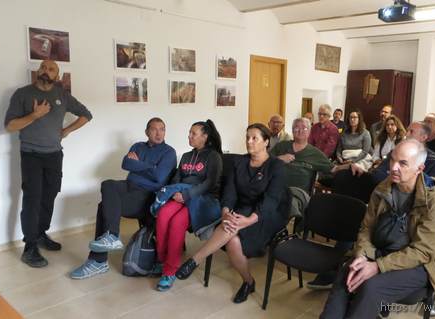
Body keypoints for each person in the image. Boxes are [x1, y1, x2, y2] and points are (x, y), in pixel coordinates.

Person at [320, 139, 435, 319]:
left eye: (403, 163)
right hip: (382, 250)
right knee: (348, 273)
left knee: (372, 286)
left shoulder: (434, 201)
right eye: (392, 160)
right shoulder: (383, 188)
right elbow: (366, 228)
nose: (393, 167)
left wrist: (378, 266)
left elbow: (424, 251)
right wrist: (362, 255)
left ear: (420, 169)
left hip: (422, 264)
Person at [175, 123, 289, 304]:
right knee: (233, 240)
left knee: (231, 230)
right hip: (243, 209)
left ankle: (195, 260)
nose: (249, 142)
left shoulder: (276, 166)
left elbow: (271, 201)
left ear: (266, 142)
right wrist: (226, 211)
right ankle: (248, 282)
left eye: (254, 138)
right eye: (247, 137)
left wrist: (249, 220)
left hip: (269, 214)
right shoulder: (240, 162)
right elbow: (229, 192)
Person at [4, 60, 93, 268]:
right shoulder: (22, 94)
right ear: (38, 71)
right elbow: (9, 126)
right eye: (43, 67)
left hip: (54, 155)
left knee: (49, 195)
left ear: (57, 76)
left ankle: (41, 233)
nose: (46, 71)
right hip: (31, 155)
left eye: (51, 69)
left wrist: (66, 131)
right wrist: (34, 115)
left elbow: (86, 115)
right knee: (32, 199)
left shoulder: (62, 95)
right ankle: (30, 246)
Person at [69, 118, 177, 279]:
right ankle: (112, 237)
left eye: (162, 129)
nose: (158, 133)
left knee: (103, 206)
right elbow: (125, 164)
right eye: (154, 129)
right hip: (129, 186)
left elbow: (160, 177)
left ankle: (98, 261)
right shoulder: (137, 146)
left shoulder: (169, 152)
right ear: (147, 132)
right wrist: (150, 167)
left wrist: (138, 164)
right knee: (107, 184)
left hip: (147, 196)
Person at [153, 120, 223, 292]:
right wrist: (174, 193)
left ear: (205, 137)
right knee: (163, 215)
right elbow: (177, 178)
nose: (189, 136)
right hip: (181, 195)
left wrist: (186, 195)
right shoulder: (185, 156)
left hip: (201, 200)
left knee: (177, 222)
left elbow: (210, 184)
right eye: (189, 132)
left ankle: (170, 271)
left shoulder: (213, 156)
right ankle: (161, 260)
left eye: (194, 133)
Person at [270, 117, 335, 194]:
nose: (300, 131)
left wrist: (350, 165)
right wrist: (278, 159)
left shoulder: (315, 153)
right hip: (275, 191)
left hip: (297, 195)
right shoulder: (281, 146)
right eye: (296, 128)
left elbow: (333, 168)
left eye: (304, 128)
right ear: (292, 131)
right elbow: (263, 162)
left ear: (309, 132)